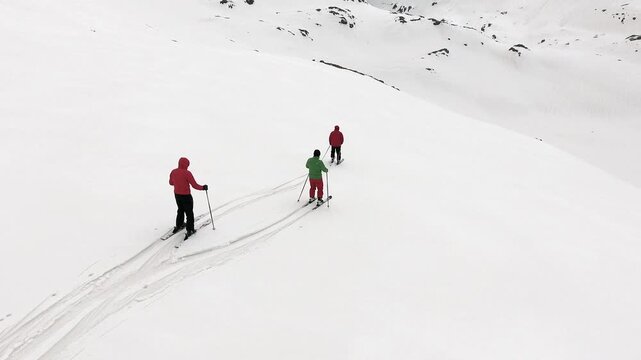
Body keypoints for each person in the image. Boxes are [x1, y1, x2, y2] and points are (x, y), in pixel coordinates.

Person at [169, 157, 208, 236]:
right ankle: (190, 230)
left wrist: (178, 182)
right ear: (186, 164)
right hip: (186, 196)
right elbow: (194, 185)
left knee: (180, 209)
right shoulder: (187, 173)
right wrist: (203, 188)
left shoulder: (173, 172)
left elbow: (171, 183)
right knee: (189, 212)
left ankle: (179, 225)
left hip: (177, 195)